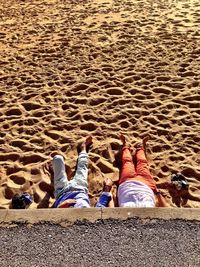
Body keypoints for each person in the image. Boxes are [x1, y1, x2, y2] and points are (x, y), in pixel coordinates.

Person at [117, 134, 167, 207]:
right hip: (146, 184)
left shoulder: (124, 217)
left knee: (127, 162)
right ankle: (140, 147)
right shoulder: (151, 217)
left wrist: (110, 193)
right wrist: (158, 193)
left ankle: (125, 145)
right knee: (142, 162)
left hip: (127, 183)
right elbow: (165, 210)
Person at [52, 136, 92, 208]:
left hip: (62, 191)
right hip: (80, 188)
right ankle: (83, 148)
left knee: (57, 158)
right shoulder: (87, 215)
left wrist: (62, 205)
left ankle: (53, 170)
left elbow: (54, 216)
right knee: (82, 167)